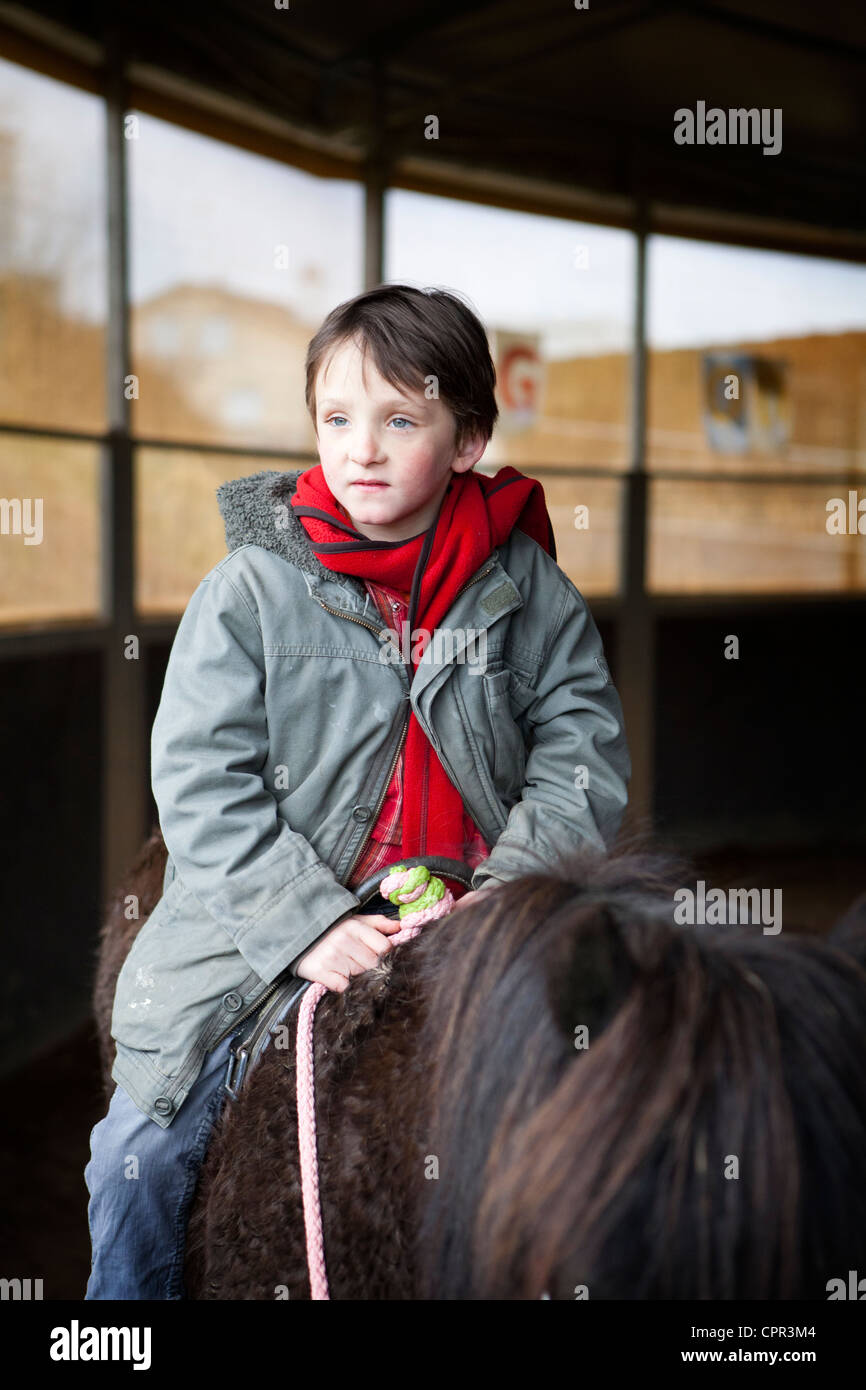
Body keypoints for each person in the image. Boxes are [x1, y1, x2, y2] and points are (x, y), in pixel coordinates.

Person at [84, 283, 631, 1298]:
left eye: (398, 420)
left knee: (646, 1067)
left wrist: (509, 885)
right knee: (137, 1160)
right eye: (336, 419)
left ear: (465, 439)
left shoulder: (526, 587)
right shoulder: (249, 589)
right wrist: (304, 924)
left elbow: (579, 750)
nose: (361, 449)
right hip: (270, 910)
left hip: (478, 897)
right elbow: (201, 779)